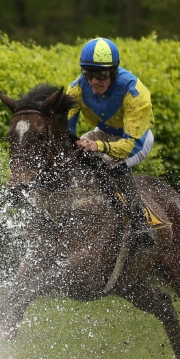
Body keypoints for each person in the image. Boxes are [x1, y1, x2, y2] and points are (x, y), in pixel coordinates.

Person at [65, 37, 157, 241]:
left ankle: (139, 219)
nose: (94, 82)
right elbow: (66, 128)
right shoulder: (78, 88)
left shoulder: (135, 93)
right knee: (77, 156)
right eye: (88, 74)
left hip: (135, 141)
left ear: (114, 72)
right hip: (104, 132)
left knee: (112, 166)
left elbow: (127, 145)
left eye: (101, 74)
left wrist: (97, 145)